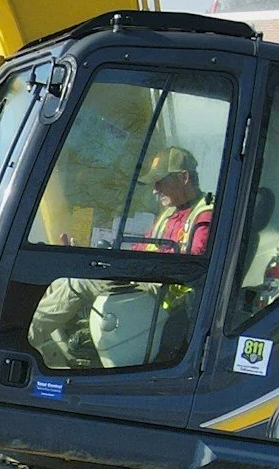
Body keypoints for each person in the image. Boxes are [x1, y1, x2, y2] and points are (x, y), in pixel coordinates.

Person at [26, 143, 214, 370]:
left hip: (162, 295)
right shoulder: (169, 214)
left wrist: (133, 268)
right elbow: (138, 248)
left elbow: (192, 264)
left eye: (159, 182)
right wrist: (94, 254)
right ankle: (44, 349)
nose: (154, 190)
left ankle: (22, 340)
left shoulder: (203, 217)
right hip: (144, 279)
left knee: (75, 284)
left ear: (183, 177)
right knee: (65, 274)